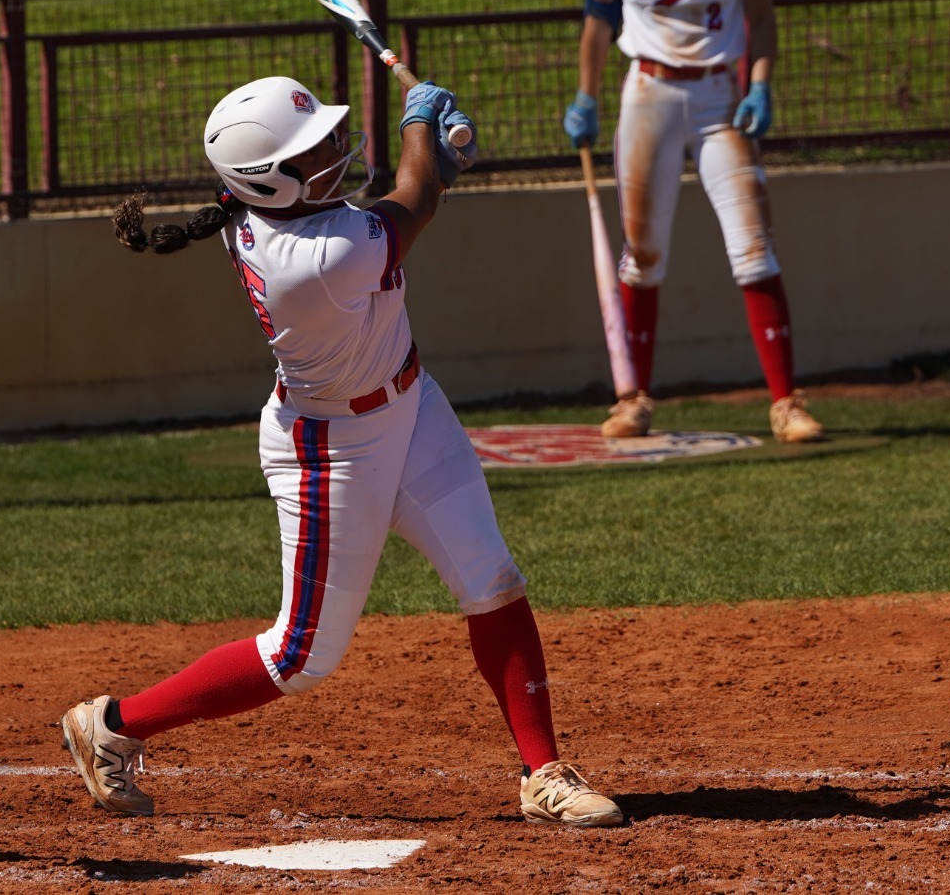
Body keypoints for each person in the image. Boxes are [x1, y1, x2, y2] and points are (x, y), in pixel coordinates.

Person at [67, 75, 624, 828]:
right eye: (313, 149)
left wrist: (435, 159)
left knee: (492, 577)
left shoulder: (273, 211)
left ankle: (542, 771)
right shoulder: (317, 256)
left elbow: (404, 196)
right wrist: (423, 126)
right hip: (332, 448)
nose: (334, 148)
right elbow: (413, 199)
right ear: (271, 181)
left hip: (411, 404)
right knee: (299, 655)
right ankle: (113, 722)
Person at [564, 0, 824, 443]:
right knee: (643, 257)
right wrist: (586, 95)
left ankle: (786, 402)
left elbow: (762, 18)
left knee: (753, 246)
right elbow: (598, 16)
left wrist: (759, 84)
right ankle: (634, 399)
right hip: (648, 91)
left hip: (717, 97)